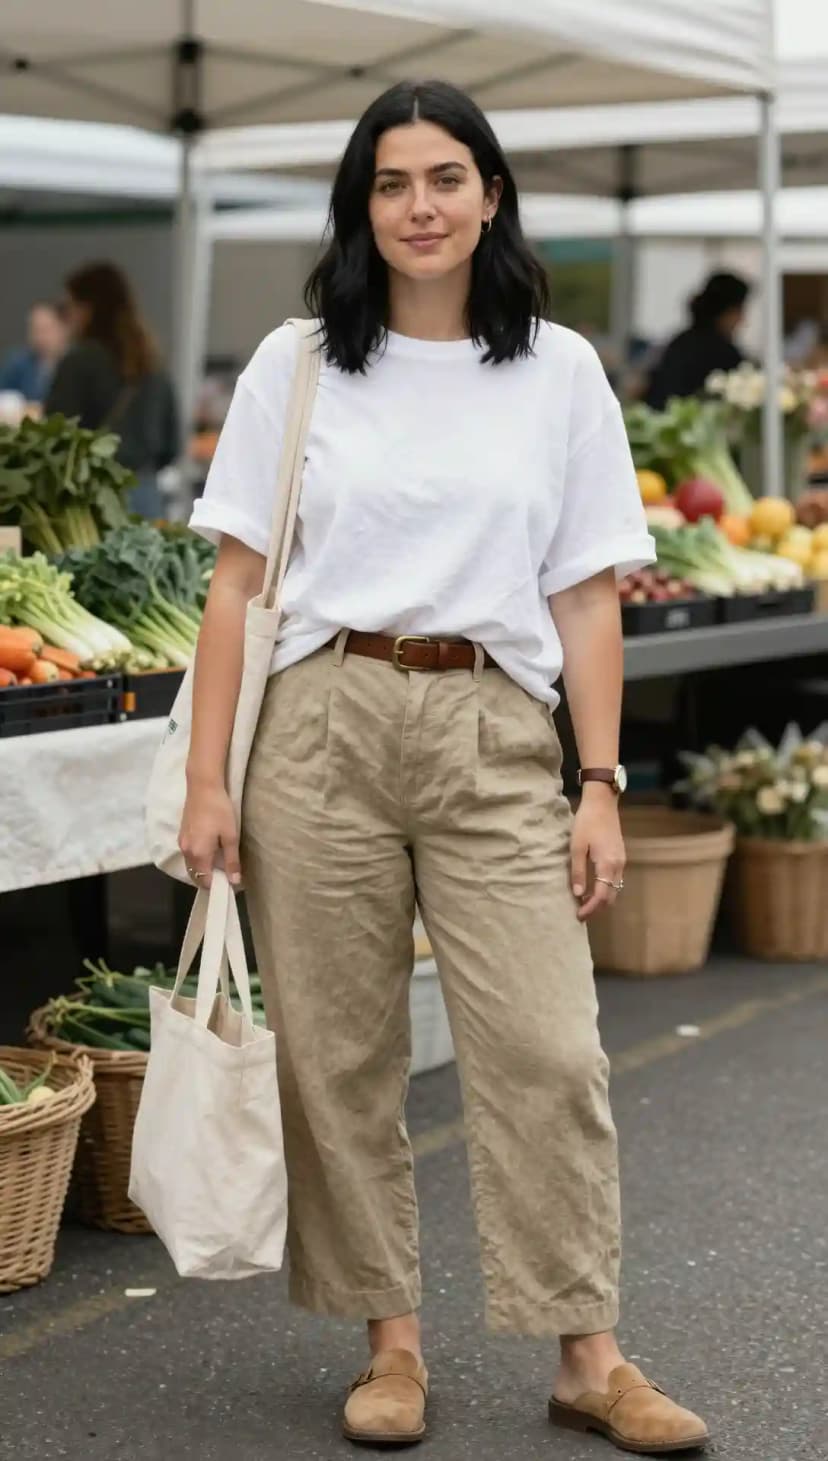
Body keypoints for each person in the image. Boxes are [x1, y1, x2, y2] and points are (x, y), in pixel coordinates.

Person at [180, 80, 710, 1455]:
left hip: (490, 729)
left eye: (447, 178)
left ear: (490, 196)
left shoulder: (559, 370)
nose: (421, 206)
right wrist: (204, 781)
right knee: (340, 1058)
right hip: (322, 722)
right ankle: (390, 1343)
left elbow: (588, 593)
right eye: (392, 181)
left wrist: (599, 782)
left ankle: (586, 1352)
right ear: (363, 204)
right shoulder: (296, 364)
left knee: (548, 1049)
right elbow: (236, 586)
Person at [45, 262, 178, 517]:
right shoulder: (151, 361)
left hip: (93, 500)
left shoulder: (79, 361)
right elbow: (171, 442)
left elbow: (54, 435)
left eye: (71, 306)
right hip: (146, 494)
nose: (69, 316)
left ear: (88, 308)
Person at [645, 270, 751, 410]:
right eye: (739, 312)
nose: (741, 321)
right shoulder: (722, 353)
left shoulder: (680, 342)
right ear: (725, 312)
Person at [0, 301, 67, 404]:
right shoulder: (17, 363)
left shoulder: (77, 364)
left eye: (46, 329)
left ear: (64, 329)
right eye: (34, 329)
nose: (39, 336)